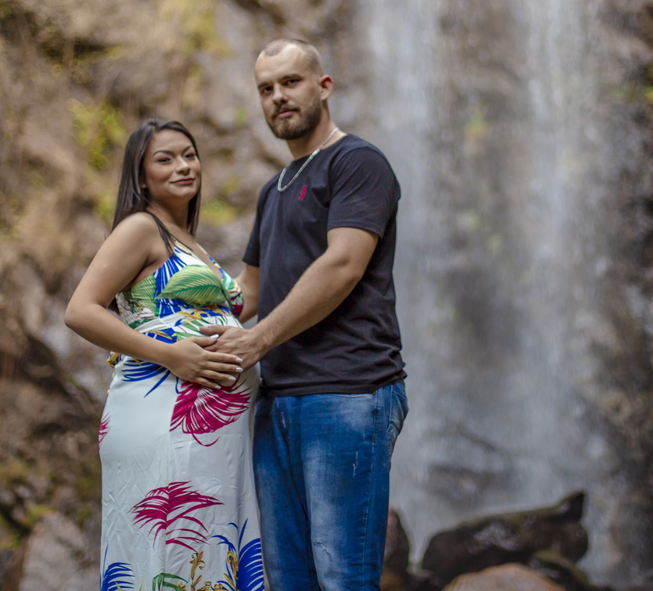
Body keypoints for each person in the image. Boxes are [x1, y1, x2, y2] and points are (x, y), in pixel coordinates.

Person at [201, 38, 408, 591]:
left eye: (291, 82)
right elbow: (246, 292)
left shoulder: (357, 162)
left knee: (343, 579)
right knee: (289, 580)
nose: (278, 97)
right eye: (266, 89)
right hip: (278, 402)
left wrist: (256, 341)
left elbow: (343, 265)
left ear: (324, 86)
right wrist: (167, 317)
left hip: (348, 393)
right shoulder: (273, 190)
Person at [64, 119, 263, 591]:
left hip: (208, 437)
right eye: (165, 159)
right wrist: (171, 355)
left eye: (190, 155)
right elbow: (80, 310)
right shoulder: (141, 228)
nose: (183, 166)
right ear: (141, 175)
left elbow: (242, 302)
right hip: (165, 421)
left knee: (200, 558)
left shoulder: (188, 240)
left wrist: (276, 222)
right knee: (172, 554)